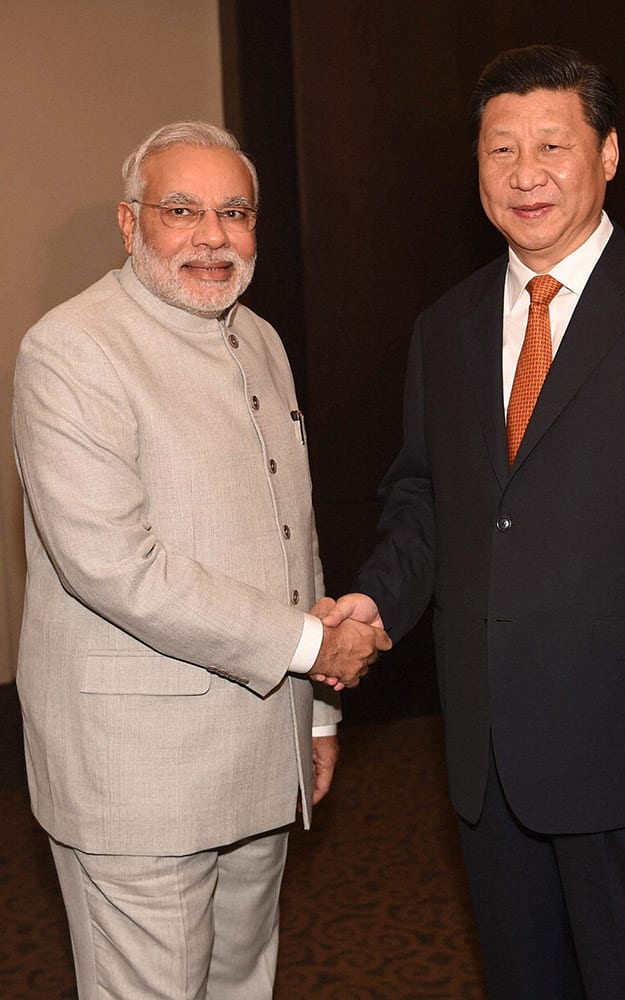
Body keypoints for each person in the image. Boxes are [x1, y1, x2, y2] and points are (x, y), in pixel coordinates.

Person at [320, 45, 625, 998]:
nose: (525, 173)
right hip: (488, 753)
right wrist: (374, 600)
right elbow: (425, 501)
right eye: (500, 150)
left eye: (552, 144)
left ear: (608, 154)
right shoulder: (444, 329)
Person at [12, 120, 389, 1000]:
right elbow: (116, 564)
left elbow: (292, 529)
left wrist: (317, 717)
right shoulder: (70, 351)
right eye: (181, 210)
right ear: (127, 221)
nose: (213, 236)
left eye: (235, 212)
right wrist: (310, 649)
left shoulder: (258, 338)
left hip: (259, 751)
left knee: (242, 986)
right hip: (140, 779)